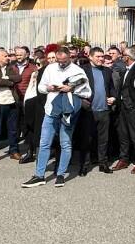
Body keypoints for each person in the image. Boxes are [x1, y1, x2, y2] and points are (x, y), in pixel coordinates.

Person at [24, 47, 91, 188]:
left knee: (65, 143)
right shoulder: (50, 68)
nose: (61, 63)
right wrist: (49, 88)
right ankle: (39, 175)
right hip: (50, 110)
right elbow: (41, 88)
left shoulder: (77, 70)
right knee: (44, 143)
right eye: (59, 61)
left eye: (64, 61)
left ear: (69, 58)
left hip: (68, 111)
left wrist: (71, 89)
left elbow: (87, 92)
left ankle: (61, 174)